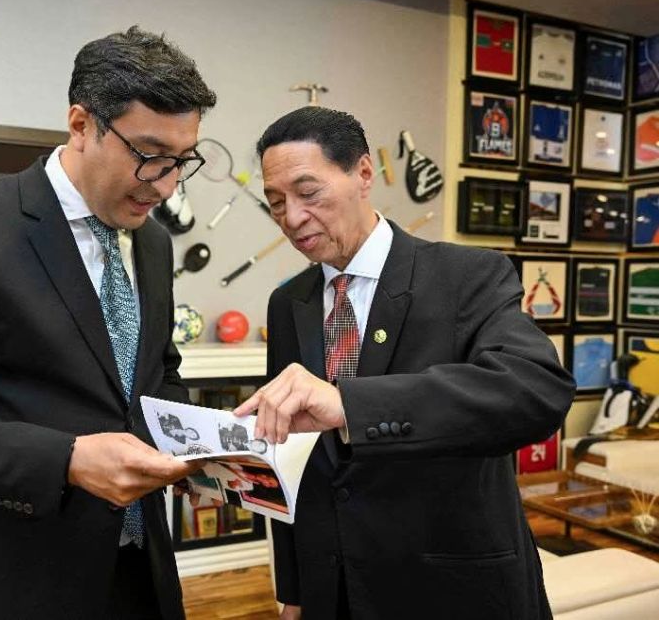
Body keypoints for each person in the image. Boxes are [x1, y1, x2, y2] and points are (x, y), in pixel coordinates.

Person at [0, 26, 216, 620]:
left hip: (139, 572)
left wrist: (206, 441)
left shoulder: (154, 242)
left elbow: (156, 374)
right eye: (148, 156)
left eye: (181, 162)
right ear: (81, 124)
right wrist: (68, 460)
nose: (165, 186)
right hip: (11, 578)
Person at [233, 107, 575, 620]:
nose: (292, 218)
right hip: (335, 592)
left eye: (309, 193)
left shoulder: (467, 275)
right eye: (276, 202)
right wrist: (296, 590)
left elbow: (535, 391)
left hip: (451, 588)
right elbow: (294, 459)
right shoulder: (289, 303)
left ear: (363, 173)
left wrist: (350, 405)